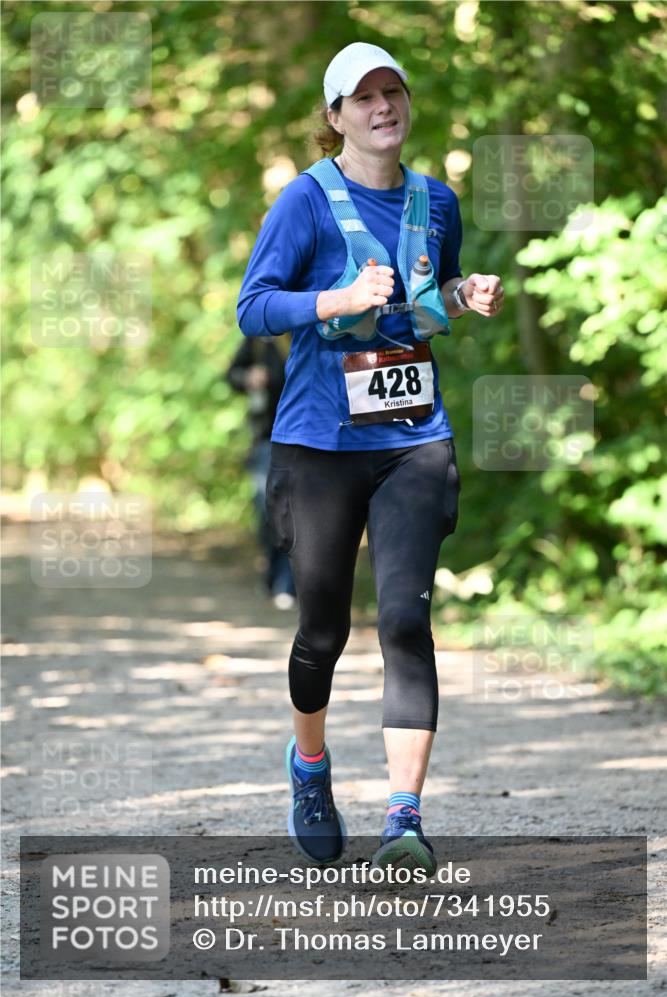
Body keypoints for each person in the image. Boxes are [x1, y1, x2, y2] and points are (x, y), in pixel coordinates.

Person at [237, 41, 504, 873]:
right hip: (319, 443)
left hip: (413, 438)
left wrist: (464, 293)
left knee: (403, 619)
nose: (383, 107)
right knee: (322, 627)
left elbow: (435, 292)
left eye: (393, 93)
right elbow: (253, 309)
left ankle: (403, 820)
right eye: (364, 98)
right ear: (334, 116)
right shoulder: (304, 204)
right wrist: (339, 298)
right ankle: (309, 767)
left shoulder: (437, 200)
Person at [227, 336, 297, 609]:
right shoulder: (257, 341)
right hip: (265, 440)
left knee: (294, 513)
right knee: (267, 511)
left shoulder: (307, 330)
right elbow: (232, 375)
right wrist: (247, 378)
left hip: (304, 438)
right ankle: (272, 576)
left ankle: (287, 584)